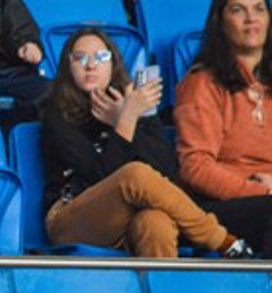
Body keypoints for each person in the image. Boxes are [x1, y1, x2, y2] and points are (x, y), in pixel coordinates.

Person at [43, 28, 250, 258]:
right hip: (71, 219)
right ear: (68, 65)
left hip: (128, 219)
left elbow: (167, 174)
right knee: (135, 174)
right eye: (80, 58)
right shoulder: (56, 113)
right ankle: (223, 241)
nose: (91, 65)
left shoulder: (136, 105)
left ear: (113, 65)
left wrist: (125, 118)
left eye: (101, 57)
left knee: (156, 222)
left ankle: (165, 283)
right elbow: (98, 176)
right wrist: (126, 120)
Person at [175, 0, 272, 258]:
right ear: (221, 23)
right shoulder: (201, 83)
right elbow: (196, 168)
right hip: (218, 206)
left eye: (259, 9)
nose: (251, 18)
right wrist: (262, 191)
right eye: (238, 10)